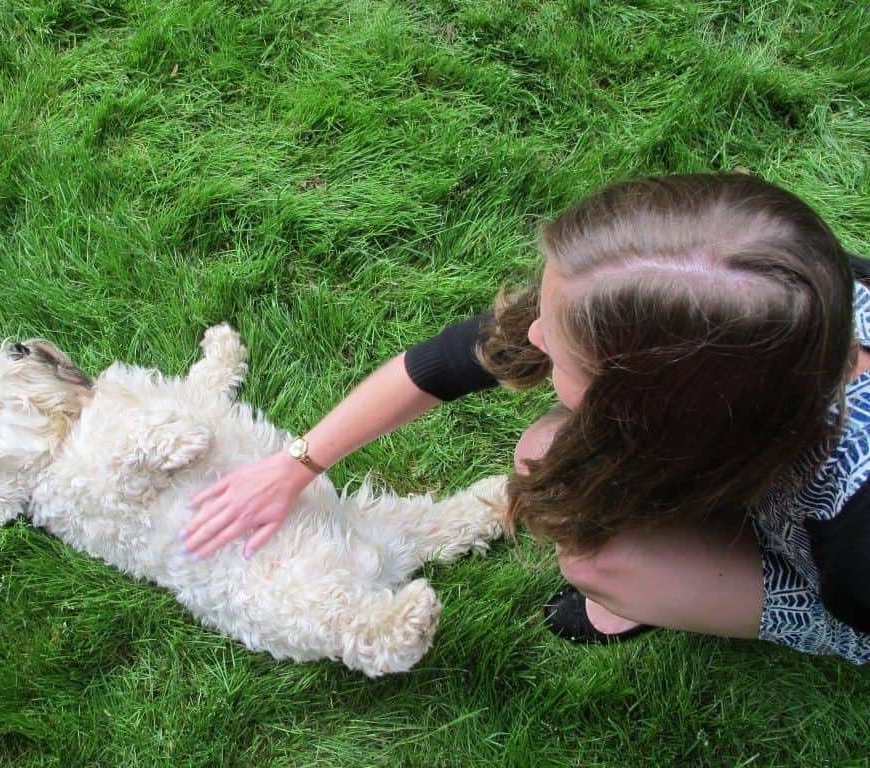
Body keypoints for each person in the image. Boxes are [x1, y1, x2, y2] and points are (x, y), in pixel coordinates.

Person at [179, 173, 870, 664]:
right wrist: (295, 462)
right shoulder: (762, 292)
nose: (533, 336)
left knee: (594, 543)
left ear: (651, 411)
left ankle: (645, 593)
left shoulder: (858, 546)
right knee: (548, 454)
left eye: (560, 345)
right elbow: (448, 362)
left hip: (839, 584)